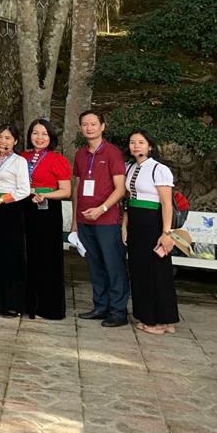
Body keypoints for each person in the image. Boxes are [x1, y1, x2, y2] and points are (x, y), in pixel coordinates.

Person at [72, 110, 129, 328]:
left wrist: (102, 208)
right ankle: (101, 306)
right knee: (94, 265)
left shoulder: (113, 153)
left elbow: (120, 189)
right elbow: (77, 187)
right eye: (85, 124)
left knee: (113, 265)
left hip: (107, 220)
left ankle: (118, 311)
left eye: (93, 124)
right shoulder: (80, 154)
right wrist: (75, 221)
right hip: (85, 220)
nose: (89, 128)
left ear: (102, 126)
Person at [124, 129, 181, 335]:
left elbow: (166, 203)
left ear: (150, 146)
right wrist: (124, 225)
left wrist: (166, 232)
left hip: (153, 223)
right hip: (135, 222)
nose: (136, 146)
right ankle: (146, 315)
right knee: (138, 269)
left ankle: (162, 320)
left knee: (157, 270)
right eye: (132, 142)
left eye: (141, 142)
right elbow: (129, 199)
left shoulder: (159, 169)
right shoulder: (129, 167)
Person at [22, 119, 70, 320]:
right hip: (25, 206)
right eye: (35, 133)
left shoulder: (57, 159)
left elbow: (66, 190)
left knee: (47, 256)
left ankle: (48, 307)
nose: (39, 137)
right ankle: (28, 304)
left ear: (51, 137)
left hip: (47, 209)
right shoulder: (22, 157)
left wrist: (45, 195)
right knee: (27, 255)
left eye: (44, 134)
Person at [0, 124, 31, 317]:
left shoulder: (19, 161)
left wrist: (1, 200)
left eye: (8, 138)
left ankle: (13, 303)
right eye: (0, 137)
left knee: (11, 257)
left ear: (15, 141)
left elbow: (24, 190)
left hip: (11, 210)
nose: (3, 141)